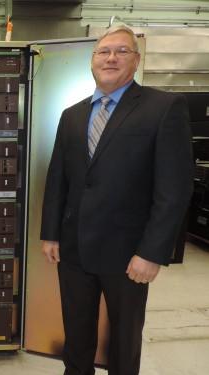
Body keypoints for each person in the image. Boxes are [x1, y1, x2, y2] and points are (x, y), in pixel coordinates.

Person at [40, 25, 193, 375]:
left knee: (124, 341)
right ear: (92, 61)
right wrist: (50, 233)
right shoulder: (73, 115)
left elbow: (174, 189)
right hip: (74, 250)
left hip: (129, 255)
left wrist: (152, 253)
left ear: (136, 61)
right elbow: (57, 180)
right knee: (77, 336)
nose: (111, 58)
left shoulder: (164, 108)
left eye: (121, 51)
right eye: (103, 51)